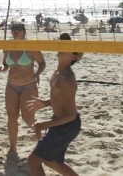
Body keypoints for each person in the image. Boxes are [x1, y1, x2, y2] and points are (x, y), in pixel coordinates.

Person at [26, 33, 82, 176]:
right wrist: (45, 102)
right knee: (51, 161)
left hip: (67, 125)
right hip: (60, 122)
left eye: (67, 46)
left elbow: (70, 115)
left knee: (33, 161)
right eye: (61, 44)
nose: (61, 47)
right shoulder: (57, 72)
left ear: (73, 57)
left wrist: (44, 125)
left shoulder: (67, 79)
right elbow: (61, 99)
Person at [0, 22, 46, 160]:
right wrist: (2, 68)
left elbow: (42, 63)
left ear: (24, 31)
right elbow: (6, 64)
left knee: (28, 118)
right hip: (11, 84)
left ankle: (43, 141)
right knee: (12, 118)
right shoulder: (8, 46)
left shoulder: (30, 46)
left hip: (28, 85)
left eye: (18, 29)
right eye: (13, 29)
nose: (15, 31)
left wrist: (36, 74)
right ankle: (13, 147)